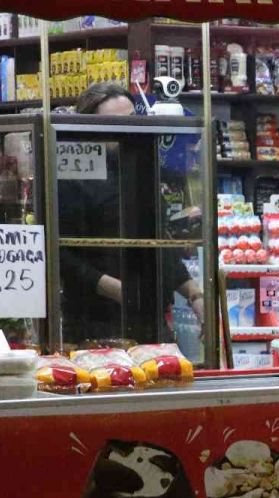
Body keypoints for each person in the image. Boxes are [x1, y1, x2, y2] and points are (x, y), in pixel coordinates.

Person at [58, 82, 205, 346]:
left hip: (149, 319)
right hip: (93, 323)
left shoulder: (141, 169)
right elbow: (61, 254)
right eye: (113, 124)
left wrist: (194, 293)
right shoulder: (72, 176)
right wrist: (117, 290)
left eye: (130, 120)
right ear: (88, 127)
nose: (126, 130)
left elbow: (159, 244)